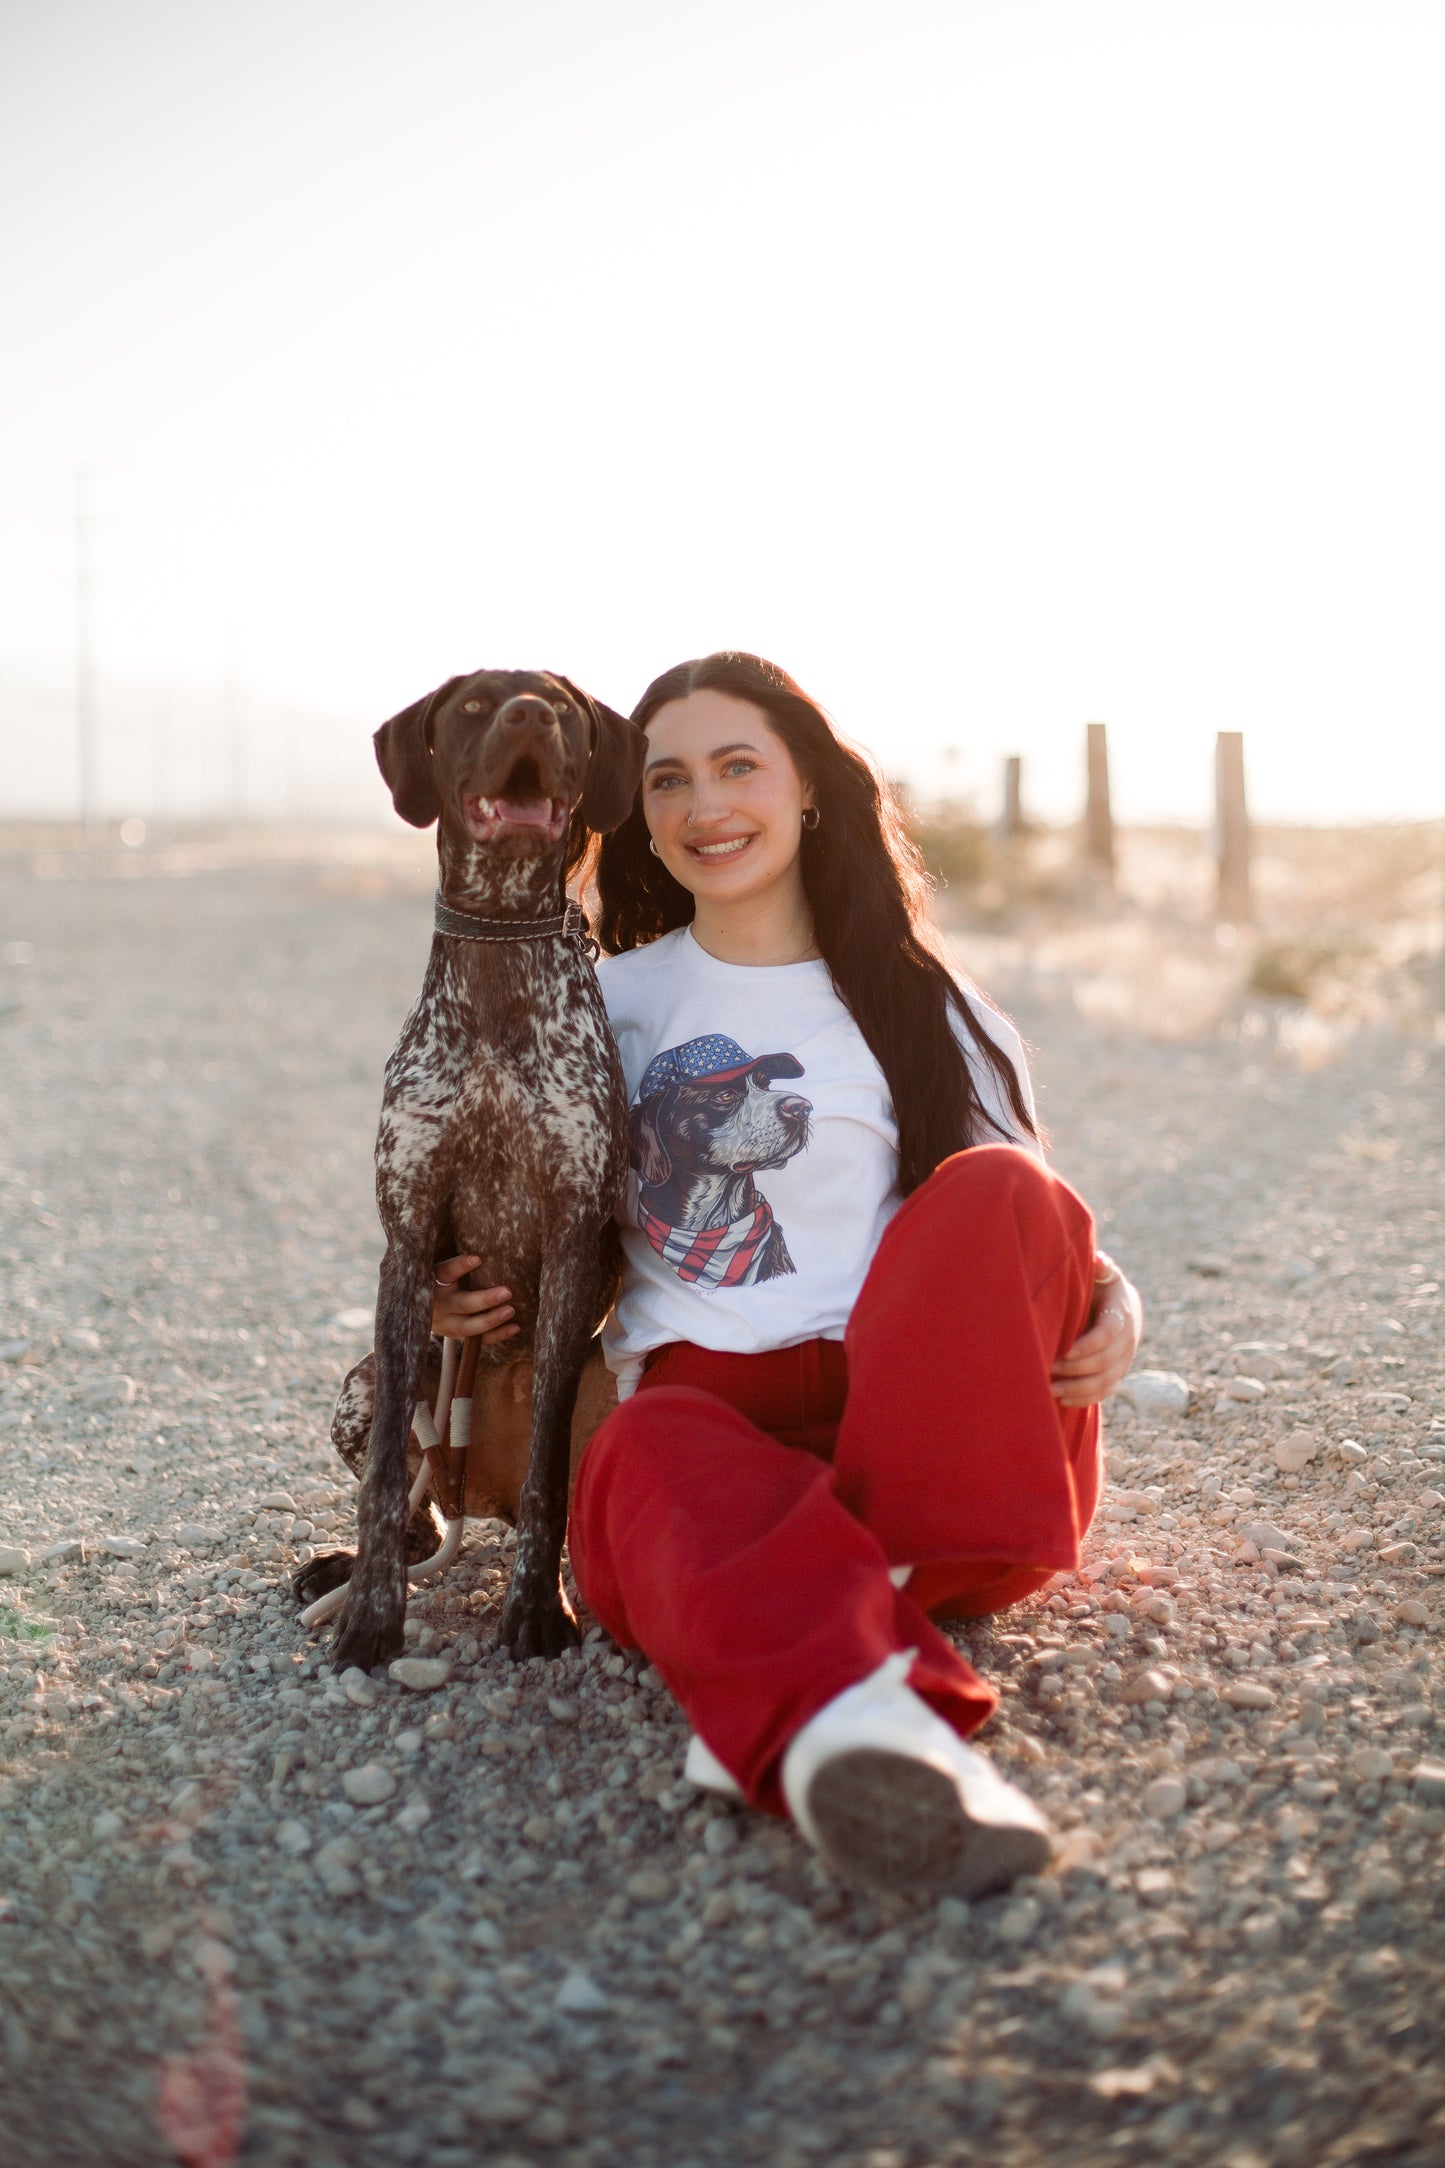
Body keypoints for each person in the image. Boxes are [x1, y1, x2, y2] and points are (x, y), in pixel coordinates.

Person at [433, 651, 1142, 1900]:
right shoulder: (601, 1000)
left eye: (736, 765)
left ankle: (777, 1634)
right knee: (639, 1453)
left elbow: (1026, 1223)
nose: (703, 805)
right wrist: (465, 1289)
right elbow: (500, 1207)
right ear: (635, 814)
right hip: (706, 1425)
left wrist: (1118, 1298)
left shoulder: (928, 1005)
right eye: (666, 780)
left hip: (926, 1440)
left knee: (990, 1187)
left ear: (807, 783)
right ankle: (856, 1734)